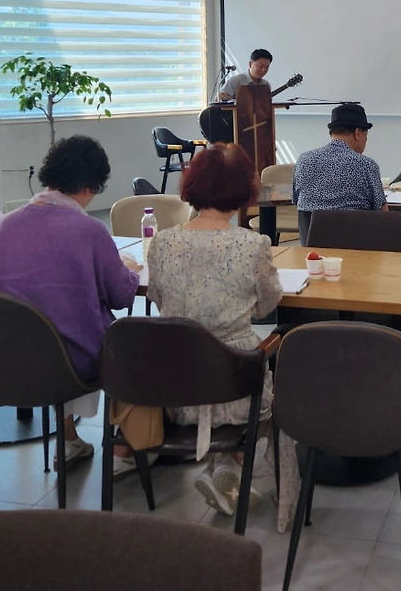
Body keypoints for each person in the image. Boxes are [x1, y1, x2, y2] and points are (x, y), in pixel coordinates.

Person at [145, 143, 287, 520]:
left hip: (174, 391)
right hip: (234, 390)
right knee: (265, 358)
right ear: (244, 190)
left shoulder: (162, 242)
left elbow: (158, 298)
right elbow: (267, 305)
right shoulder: (253, 244)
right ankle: (230, 464)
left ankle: (224, 466)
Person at [0, 135, 141, 469]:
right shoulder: (89, 230)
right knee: (133, 341)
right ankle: (124, 450)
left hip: (6, 357)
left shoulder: (5, 225)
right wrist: (127, 268)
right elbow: (122, 296)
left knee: (53, 319)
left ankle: (68, 440)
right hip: (73, 362)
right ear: (91, 185)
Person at [291, 103, 386, 241]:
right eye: (366, 135)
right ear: (358, 133)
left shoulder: (304, 160)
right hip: (358, 247)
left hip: (312, 248)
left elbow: (297, 201)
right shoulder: (366, 165)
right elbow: (383, 214)